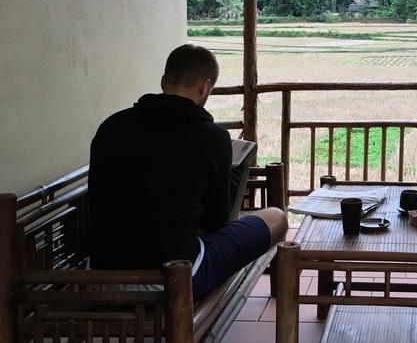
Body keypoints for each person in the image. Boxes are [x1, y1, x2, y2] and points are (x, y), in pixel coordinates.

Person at [88, 44, 287, 298]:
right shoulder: (212, 138)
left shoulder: (111, 126)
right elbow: (217, 221)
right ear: (205, 86)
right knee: (276, 218)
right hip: (177, 277)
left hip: (102, 273)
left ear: (163, 81)